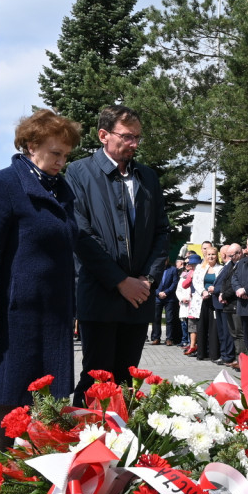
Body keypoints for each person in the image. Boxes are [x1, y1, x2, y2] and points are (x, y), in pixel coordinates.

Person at [0, 109, 82, 449]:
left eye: (66, 155)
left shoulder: (60, 191)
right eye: (55, 153)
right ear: (31, 144)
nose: (61, 161)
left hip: (50, 319)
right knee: (6, 400)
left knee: (45, 405)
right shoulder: (1, 186)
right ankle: (1, 482)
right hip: (11, 321)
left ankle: (35, 485)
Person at [67, 105, 170, 401]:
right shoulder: (78, 173)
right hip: (100, 295)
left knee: (127, 380)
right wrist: (120, 281)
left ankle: (122, 443)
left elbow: (161, 232)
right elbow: (82, 236)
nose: (134, 144)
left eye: (137, 137)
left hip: (138, 298)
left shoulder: (147, 178)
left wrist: (148, 279)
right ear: (103, 135)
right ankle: (85, 441)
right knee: (97, 378)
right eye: (127, 137)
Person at [193, 245, 224, 361]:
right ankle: (201, 353)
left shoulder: (220, 268)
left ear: (217, 256)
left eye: (213, 254)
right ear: (205, 256)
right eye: (209, 254)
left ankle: (213, 354)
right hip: (202, 299)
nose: (211, 257)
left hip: (214, 299)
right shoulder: (199, 268)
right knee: (201, 326)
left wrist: (213, 291)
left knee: (214, 326)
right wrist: (203, 291)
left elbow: (221, 283)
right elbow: (195, 282)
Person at [215, 242, 242, 367]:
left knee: (239, 334)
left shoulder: (241, 264)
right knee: (233, 334)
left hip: (235, 303)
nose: (230, 258)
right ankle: (235, 358)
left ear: (239, 253)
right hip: (227, 303)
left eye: (232, 255)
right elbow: (225, 281)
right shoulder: (230, 265)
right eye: (228, 255)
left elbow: (235, 283)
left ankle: (239, 359)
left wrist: (224, 295)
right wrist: (222, 293)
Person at [150, 258, 180, 346]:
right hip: (157, 297)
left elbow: (175, 283)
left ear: (167, 260)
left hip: (169, 297)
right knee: (156, 319)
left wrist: (166, 292)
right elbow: (151, 282)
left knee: (169, 319)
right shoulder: (154, 269)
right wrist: (158, 293)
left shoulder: (173, 269)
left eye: (165, 260)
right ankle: (156, 338)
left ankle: (169, 338)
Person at [177, 255, 196, 350]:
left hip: (192, 302)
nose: (187, 265)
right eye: (185, 263)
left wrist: (188, 298)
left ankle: (191, 342)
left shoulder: (195, 273)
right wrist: (181, 298)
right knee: (184, 324)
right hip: (184, 303)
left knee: (191, 324)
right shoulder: (183, 275)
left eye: (189, 263)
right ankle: (185, 340)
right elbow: (179, 289)